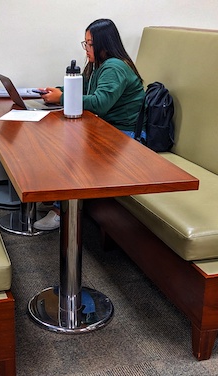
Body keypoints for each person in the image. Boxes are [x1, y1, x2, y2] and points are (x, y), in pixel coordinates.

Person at [34, 18, 145, 231]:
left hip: (126, 135)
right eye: (85, 43)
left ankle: (60, 210)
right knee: (61, 140)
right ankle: (59, 197)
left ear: (104, 43)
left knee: (72, 150)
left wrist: (62, 97)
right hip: (108, 128)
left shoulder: (114, 67)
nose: (86, 49)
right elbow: (84, 90)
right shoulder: (98, 66)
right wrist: (56, 91)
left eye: (90, 44)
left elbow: (100, 103)